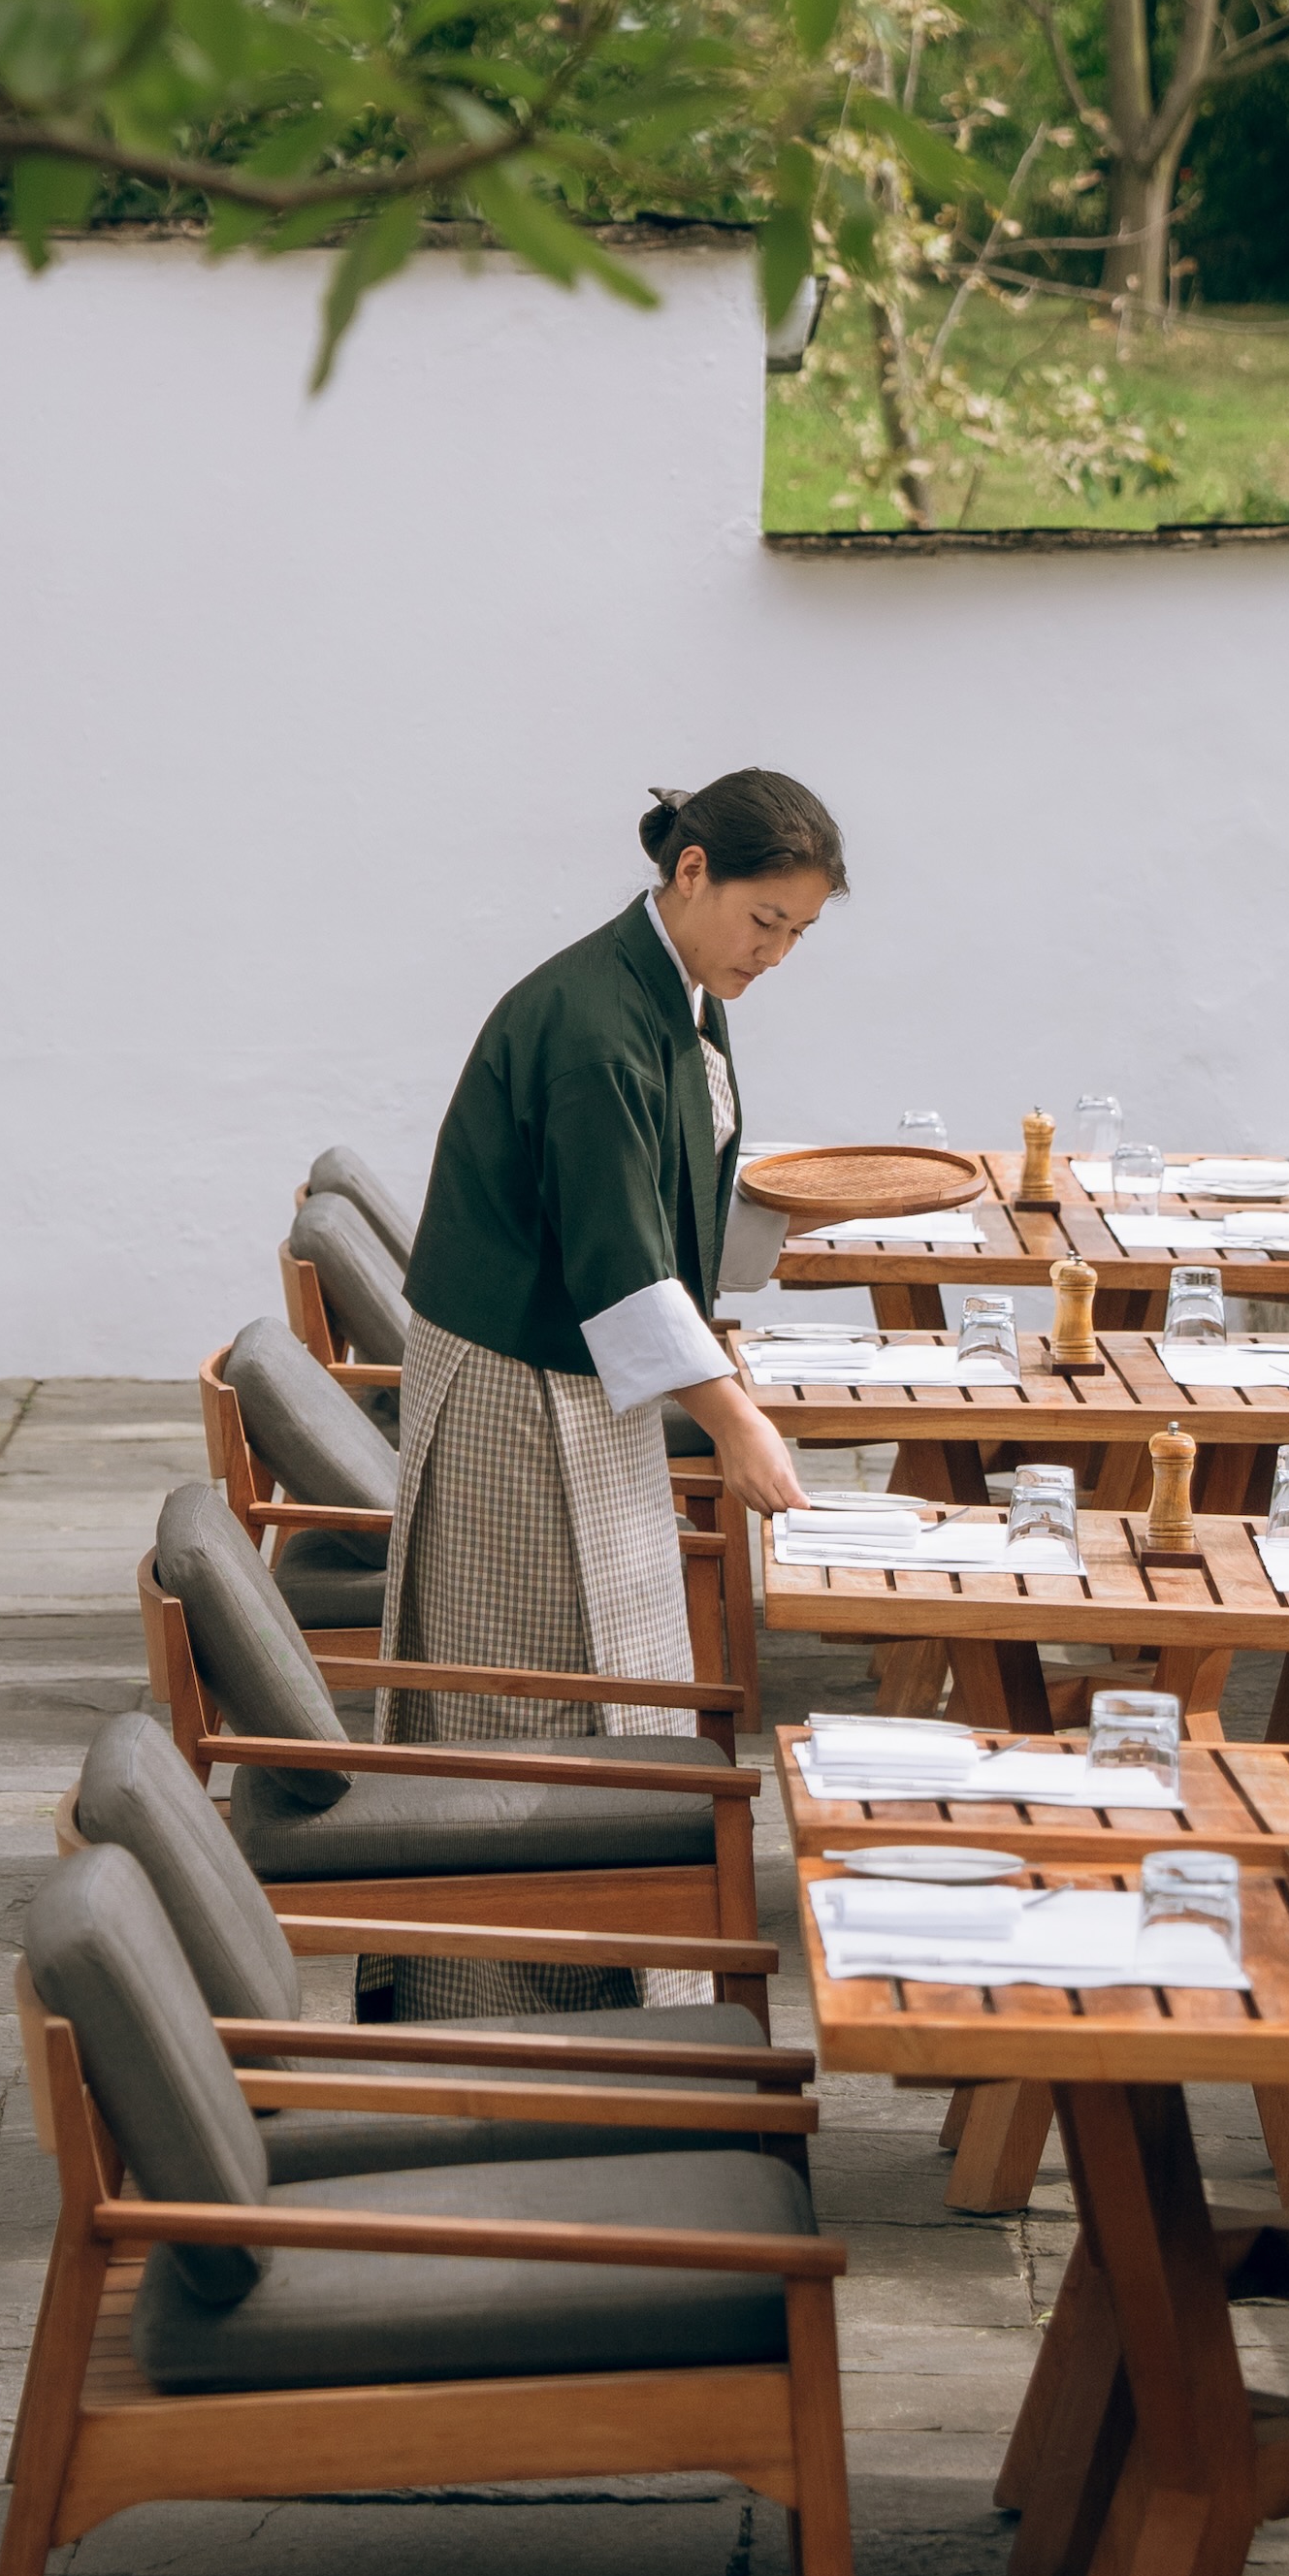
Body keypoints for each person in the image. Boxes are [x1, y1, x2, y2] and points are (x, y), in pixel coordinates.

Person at [376, 768, 845, 2011]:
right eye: (765, 922)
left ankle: (608, 2001)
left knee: (610, 1687)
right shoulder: (591, 1024)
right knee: (519, 1701)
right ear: (692, 872)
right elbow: (616, 1262)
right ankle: (487, 2018)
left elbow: (671, 1199)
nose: (777, 954)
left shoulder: (675, 990)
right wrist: (736, 1423)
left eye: (798, 933)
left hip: (573, 1377)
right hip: (511, 1385)